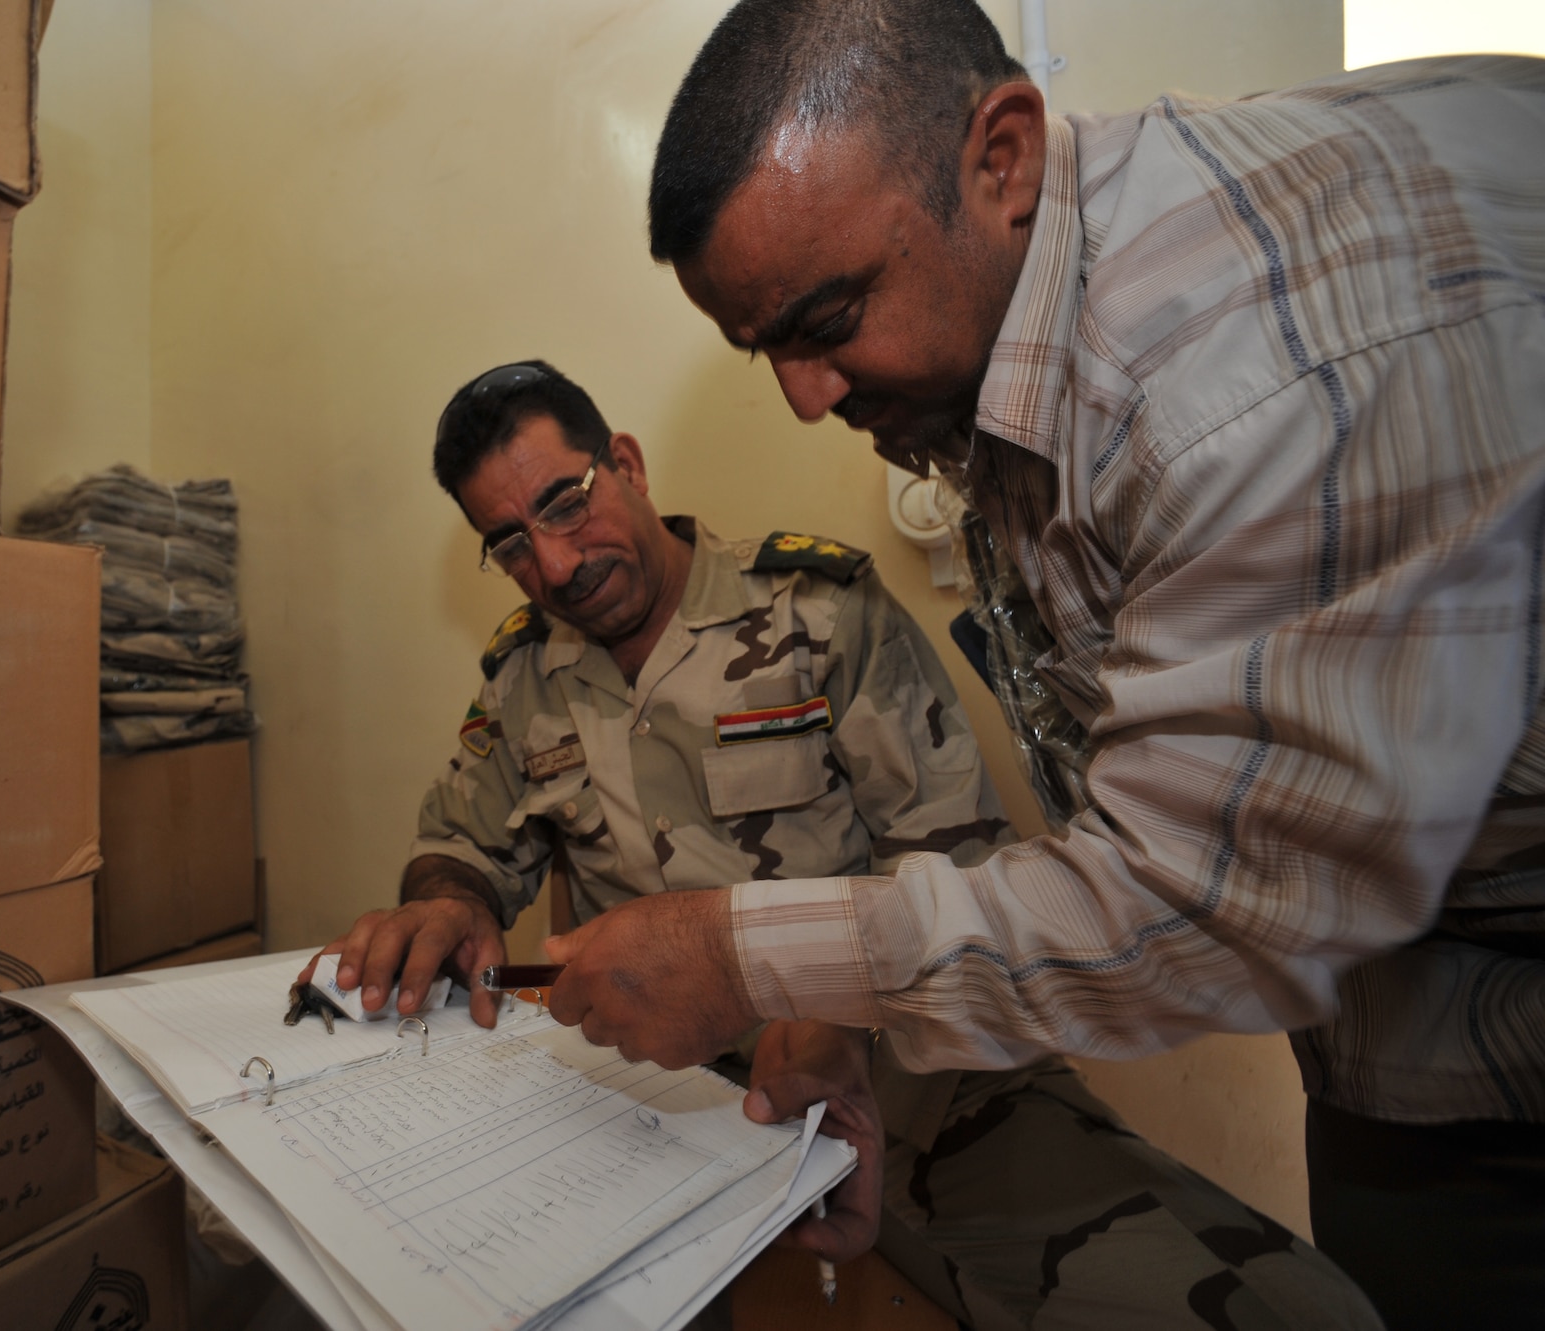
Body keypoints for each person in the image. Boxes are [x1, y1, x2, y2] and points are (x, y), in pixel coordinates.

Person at [530, 2, 1543, 1325]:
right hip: (1421, 1030)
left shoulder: (1243, 371)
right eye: (764, 346)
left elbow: (1201, 897)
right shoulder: (1022, 335)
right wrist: (846, 1001)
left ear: (1001, 156)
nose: (803, 397)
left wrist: (750, 958)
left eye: (828, 316)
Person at [302, 360, 1381, 1328]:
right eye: (509, 542)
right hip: (655, 1104)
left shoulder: (817, 609)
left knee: (1248, 1307)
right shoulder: (522, 674)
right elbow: (462, 840)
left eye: (563, 501)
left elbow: (952, 861)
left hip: (906, 1068)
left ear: (622, 462)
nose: (552, 559)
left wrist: (827, 1011)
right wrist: (446, 896)